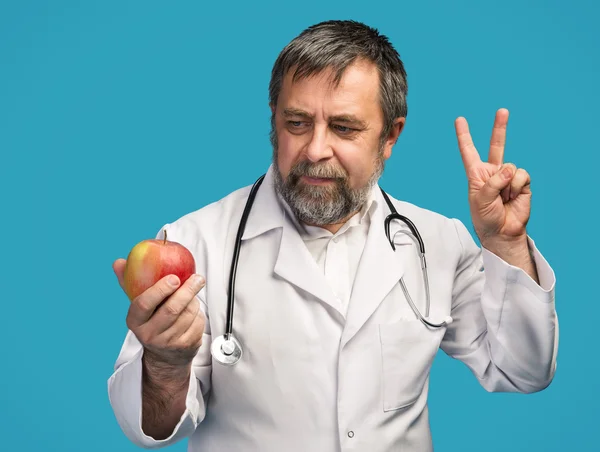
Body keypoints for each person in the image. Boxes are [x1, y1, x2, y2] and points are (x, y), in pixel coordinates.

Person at [107, 20, 558, 452]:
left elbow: (523, 371)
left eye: (344, 128)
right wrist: (165, 365)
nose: (316, 149)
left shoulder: (438, 241)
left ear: (390, 136)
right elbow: (150, 429)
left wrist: (505, 244)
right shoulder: (194, 241)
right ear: (274, 120)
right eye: (297, 123)